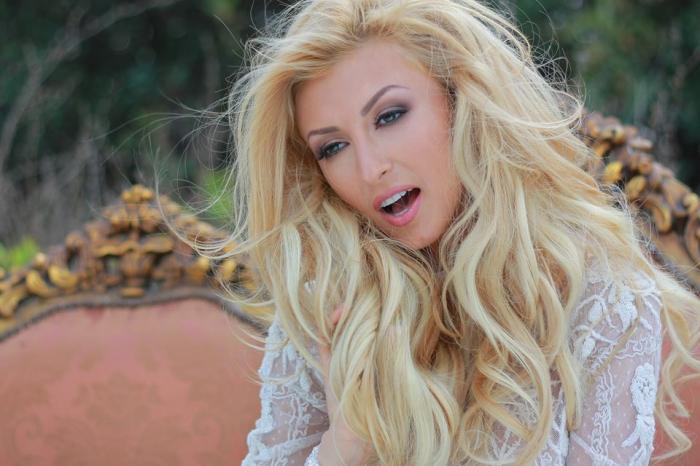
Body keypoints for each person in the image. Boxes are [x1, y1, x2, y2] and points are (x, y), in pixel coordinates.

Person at [199, 0, 700, 464]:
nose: (370, 168)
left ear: (460, 99)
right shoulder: (329, 311)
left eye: (390, 116)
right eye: (332, 147)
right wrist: (346, 441)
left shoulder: (602, 299)